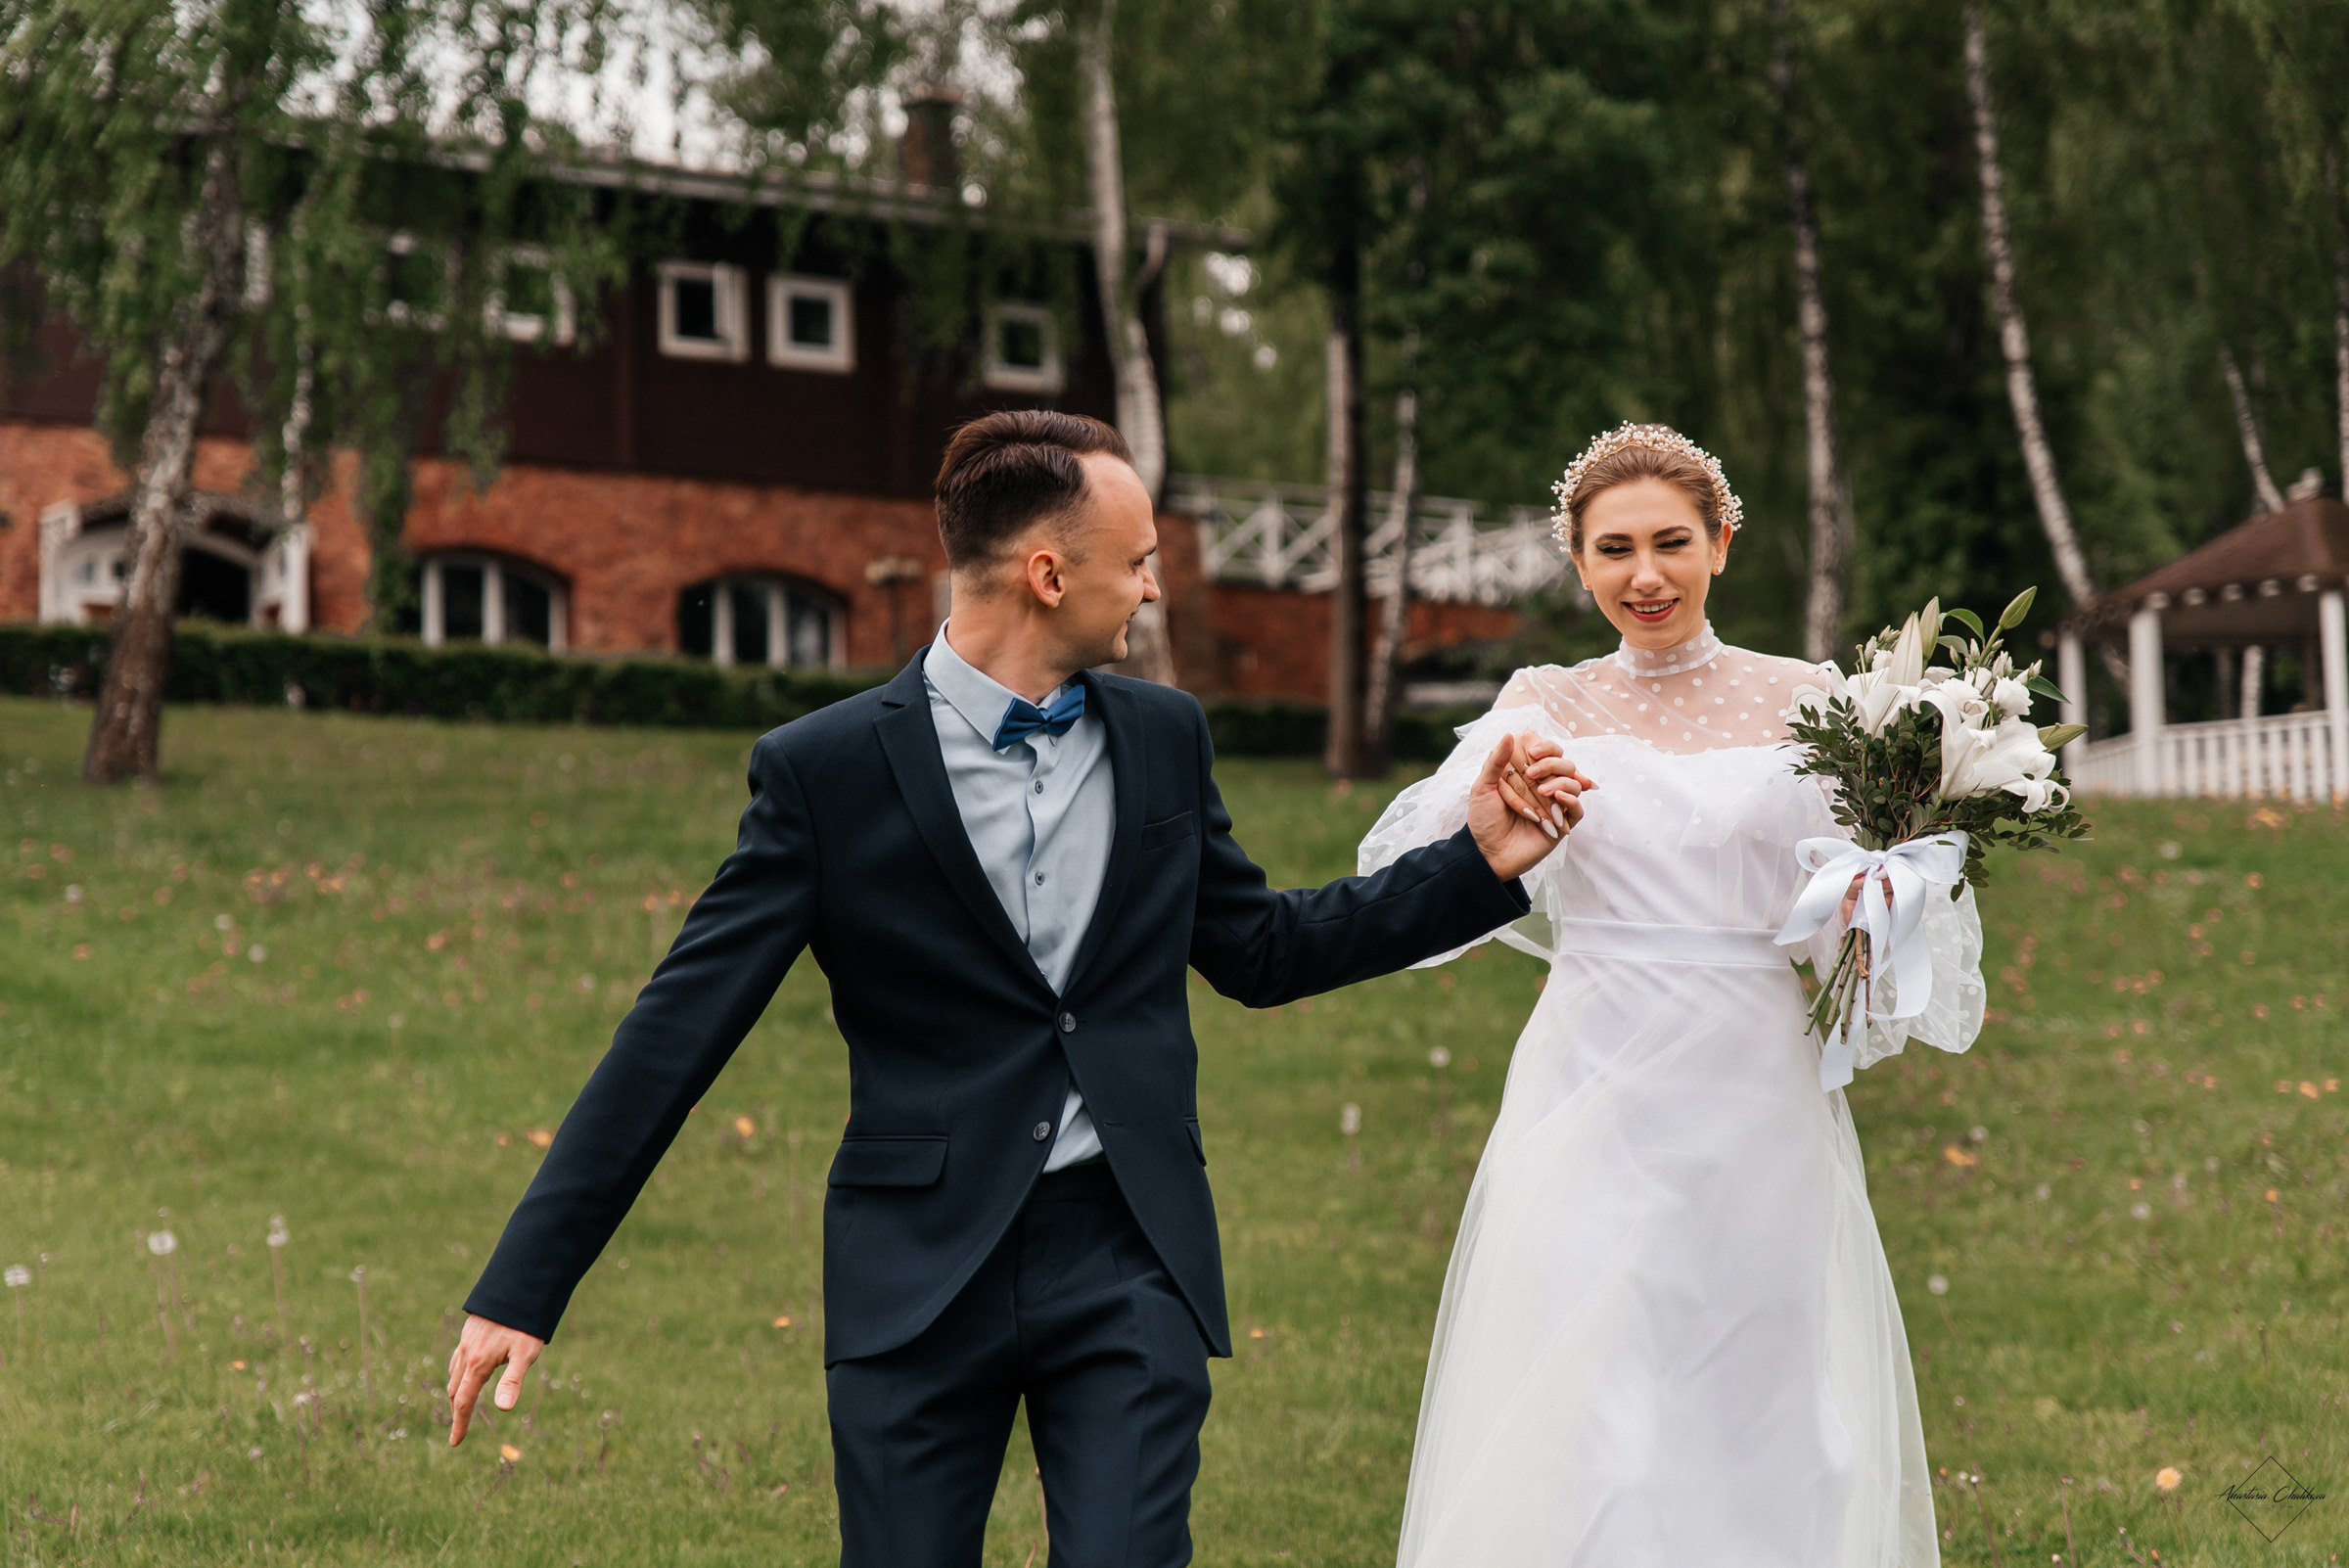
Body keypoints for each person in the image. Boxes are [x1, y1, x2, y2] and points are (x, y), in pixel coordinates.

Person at [444, 409, 1588, 1567]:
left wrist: (1475, 863)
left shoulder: (1164, 738)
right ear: (1049, 573)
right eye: (1137, 563)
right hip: (917, 1273)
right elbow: (676, 1032)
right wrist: (525, 1285)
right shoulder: (825, 772)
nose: (1151, 590)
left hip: (1126, 1252)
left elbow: (1261, 951)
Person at [1362, 424, 1984, 1566]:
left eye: (1670, 543)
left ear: (1721, 544)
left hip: (1753, 1070)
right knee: (1595, 1366)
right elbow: (1419, 870)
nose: (1643, 575)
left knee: (1763, 1355)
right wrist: (1500, 808)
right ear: (1579, 561)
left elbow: (1864, 898)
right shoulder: (1542, 701)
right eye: (1612, 550)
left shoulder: (1814, 700)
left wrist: (1881, 892)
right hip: (1593, 1062)